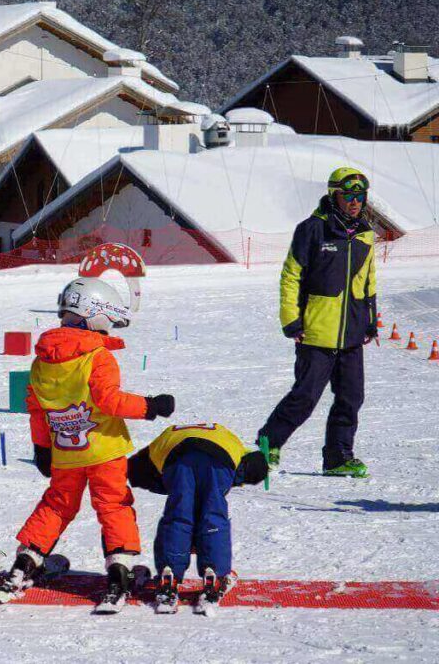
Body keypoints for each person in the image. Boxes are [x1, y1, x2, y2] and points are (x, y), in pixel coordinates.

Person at [0, 277, 175, 610]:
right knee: (113, 505)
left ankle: (26, 562)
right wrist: (151, 406)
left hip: (65, 451)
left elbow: (37, 409)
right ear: (96, 315)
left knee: (57, 506)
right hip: (105, 451)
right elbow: (109, 401)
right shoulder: (97, 357)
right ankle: (120, 571)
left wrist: (42, 448)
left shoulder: (41, 361)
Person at [259, 167, 377, 478]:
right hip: (315, 330)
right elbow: (291, 276)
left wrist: (370, 319)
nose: (354, 202)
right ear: (333, 195)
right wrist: (291, 320)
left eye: (359, 196)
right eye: (348, 195)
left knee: (351, 397)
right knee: (305, 396)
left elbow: (368, 281)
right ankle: (267, 443)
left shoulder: (365, 233)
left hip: (351, 331)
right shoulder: (313, 229)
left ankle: (338, 457)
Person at [128, 423, 269, 612]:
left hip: (177, 457)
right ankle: (215, 575)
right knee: (213, 516)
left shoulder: (153, 451)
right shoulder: (237, 446)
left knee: (178, 516)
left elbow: (138, 473)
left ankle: (169, 574)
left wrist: (174, 490)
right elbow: (248, 467)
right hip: (220, 457)